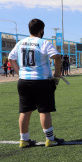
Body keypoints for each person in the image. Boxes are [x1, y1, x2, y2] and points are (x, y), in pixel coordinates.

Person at [8, 18, 64, 148]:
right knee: (44, 110)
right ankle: (50, 139)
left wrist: (20, 73)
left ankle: (24, 140)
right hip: (41, 81)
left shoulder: (21, 42)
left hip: (24, 81)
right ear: (41, 30)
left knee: (25, 111)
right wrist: (57, 73)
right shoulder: (44, 42)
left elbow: (11, 58)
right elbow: (56, 56)